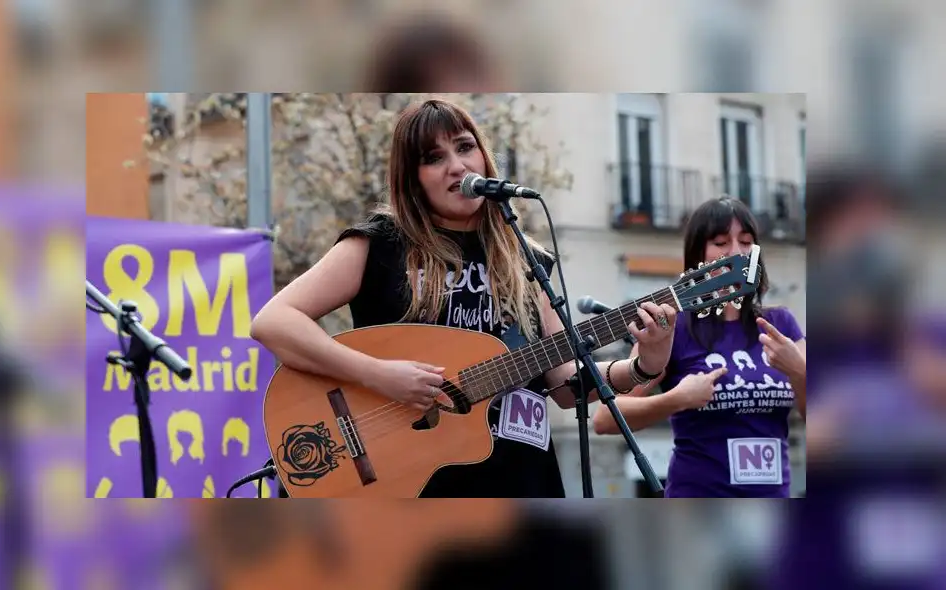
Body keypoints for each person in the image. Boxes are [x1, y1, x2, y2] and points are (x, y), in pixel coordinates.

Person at [249, 97, 678, 498]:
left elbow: (565, 385)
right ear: (413, 181)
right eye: (434, 158)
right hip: (415, 483)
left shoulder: (526, 259)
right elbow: (273, 322)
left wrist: (643, 365)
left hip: (521, 478)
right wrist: (376, 374)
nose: (457, 166)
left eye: (465, 147)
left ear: (484, 158)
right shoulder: (382, 244)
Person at [593, 196, 807, 498]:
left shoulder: (780, 322)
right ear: (699, 255)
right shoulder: (674, 327)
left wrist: (799, 372)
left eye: (746, 242)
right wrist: (676, 399)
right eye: (721, 243)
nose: (736, 252)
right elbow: (604, 418)